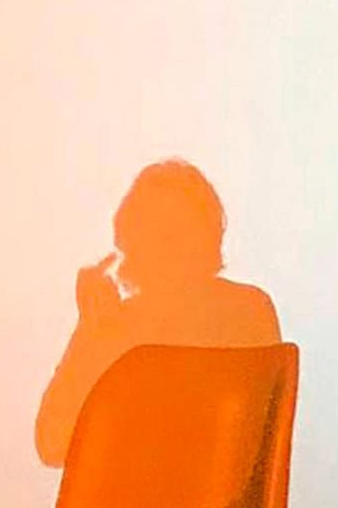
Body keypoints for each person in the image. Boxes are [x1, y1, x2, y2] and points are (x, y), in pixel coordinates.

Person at [35, 159, 281, 467]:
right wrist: (90, 330)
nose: (167, 247)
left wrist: (96, 331)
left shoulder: (245, 311)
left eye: (176, 231)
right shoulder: (250, 309)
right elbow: (53, 443)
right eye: (156, 232)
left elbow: (53, 444)